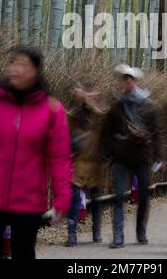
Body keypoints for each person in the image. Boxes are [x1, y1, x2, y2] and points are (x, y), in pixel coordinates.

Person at [0, 46, 72, 259]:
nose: (16, 69)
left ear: (36, 71)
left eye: (23, 65)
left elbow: (60, 158)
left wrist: (62, 198)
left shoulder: (52, 109)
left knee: (24, 252)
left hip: (29, 199)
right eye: (13, 63)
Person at [101, 64, 164, 248]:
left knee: (143, 196)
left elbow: (158, 132)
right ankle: (118, 236)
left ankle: (140, 231)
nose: (126, 81)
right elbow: (107, 133)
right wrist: (105, 156)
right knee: (119, 195)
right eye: (123, 78)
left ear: (135, 81)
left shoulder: (149, 106)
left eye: (130, 78)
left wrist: (159, 157)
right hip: (121, 157)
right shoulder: (116, 107)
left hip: (142, 157)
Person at [65, 81, 107, 246]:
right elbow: (67, 126)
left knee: (96, 198)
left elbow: (104, 119)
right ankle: (72, 233)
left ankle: (96, 230)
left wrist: (91, 103)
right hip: (79, 161)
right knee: (74, 196)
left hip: (95, 161)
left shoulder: (100, 112)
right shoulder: (74, 113)